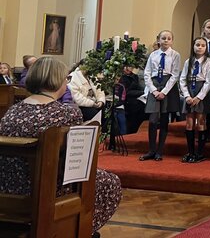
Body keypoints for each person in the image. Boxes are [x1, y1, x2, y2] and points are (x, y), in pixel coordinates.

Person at [0, 56, 121, 234]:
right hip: (46, 190)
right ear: (57, 81)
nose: (67, 83)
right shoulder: (66, 114)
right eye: (67, 78)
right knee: (109, 181)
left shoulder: (12, 112)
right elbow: (75, 163)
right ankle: (76, 230)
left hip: (8, 187)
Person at [140, 30, 181, 161]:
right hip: (155, 85)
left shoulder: (175, 55)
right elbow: (147, 73)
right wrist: (153, 90)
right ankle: (151, 149)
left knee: (164, 119)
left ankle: (159, 151)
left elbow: (175, 75)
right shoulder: (153, 55)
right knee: (152, 120)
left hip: (168, 86)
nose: (166, 40)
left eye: (169, 38)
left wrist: (164, 92)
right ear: (158, 40)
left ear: (172, 41)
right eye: (163, 38)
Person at [179, 37, 210, 163]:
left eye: (203, 45)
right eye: (197, 45)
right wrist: (187, 96)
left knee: (201, 122)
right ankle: (190, 152)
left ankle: (200, 152)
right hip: (190, 91)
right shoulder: (188, 61)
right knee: (189, 123)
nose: (200, 47)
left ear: (206, 48)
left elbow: (209, 81)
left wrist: (199, 97)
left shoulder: (209, 62)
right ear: (193, 46)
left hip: (202, 93)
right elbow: (182, 79)